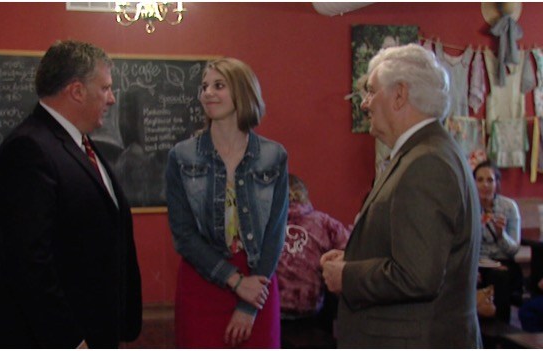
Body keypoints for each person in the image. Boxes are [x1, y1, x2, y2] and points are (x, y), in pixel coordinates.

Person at [0, 40, 142, 348]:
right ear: (76, 91)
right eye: (105, 88)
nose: (112, 98)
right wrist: (69, 340)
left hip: (93, 329)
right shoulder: (28, 149)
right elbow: (27, 261)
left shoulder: (78, 143)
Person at [320, 44, 482, 348]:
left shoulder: (426, 163)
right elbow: (416, 253)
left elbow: (416, 275)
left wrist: (348, 276)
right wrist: (354, 259)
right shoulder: (426, 152)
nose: (365, 104)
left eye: (370, 91)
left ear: (399, 95)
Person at [165, 57, 289, 348]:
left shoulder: (274, 156)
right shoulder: (182, 156)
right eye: (204, 86)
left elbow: (275, 232)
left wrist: (249, 303)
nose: (208, 93)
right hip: (202, 281)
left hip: (259, 282)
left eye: (218, 85)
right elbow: (183, 235)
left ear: (242, 92)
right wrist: (234, 281)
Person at [277, 174, 349, 334]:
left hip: (269, 311)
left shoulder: (263, 223)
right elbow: (350, 249)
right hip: (310, 313)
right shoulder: (323, 222)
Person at [474, 159, 523, 323]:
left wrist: (501, 235)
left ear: (497, 184)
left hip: (501, 260)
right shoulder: (467, 205)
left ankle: (500, 332)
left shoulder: (509, 207)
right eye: (480, 180)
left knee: (500, 276)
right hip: (476, 261)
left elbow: (514, 249)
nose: (485, 185)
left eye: (490, 180)